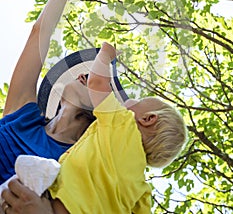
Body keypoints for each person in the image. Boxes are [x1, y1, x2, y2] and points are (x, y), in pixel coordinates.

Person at [1, 42, 188, 214]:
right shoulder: (142, 189)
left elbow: (97, 82)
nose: (82, 77)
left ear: (148, 119)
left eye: (138, 101)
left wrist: (106, 54)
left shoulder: (123, 125)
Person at [0, 0, 95, 185]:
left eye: (94, 80)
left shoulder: (76, 161)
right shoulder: (23, 115)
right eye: (84, 72)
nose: (82, 75)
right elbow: (38, 33)